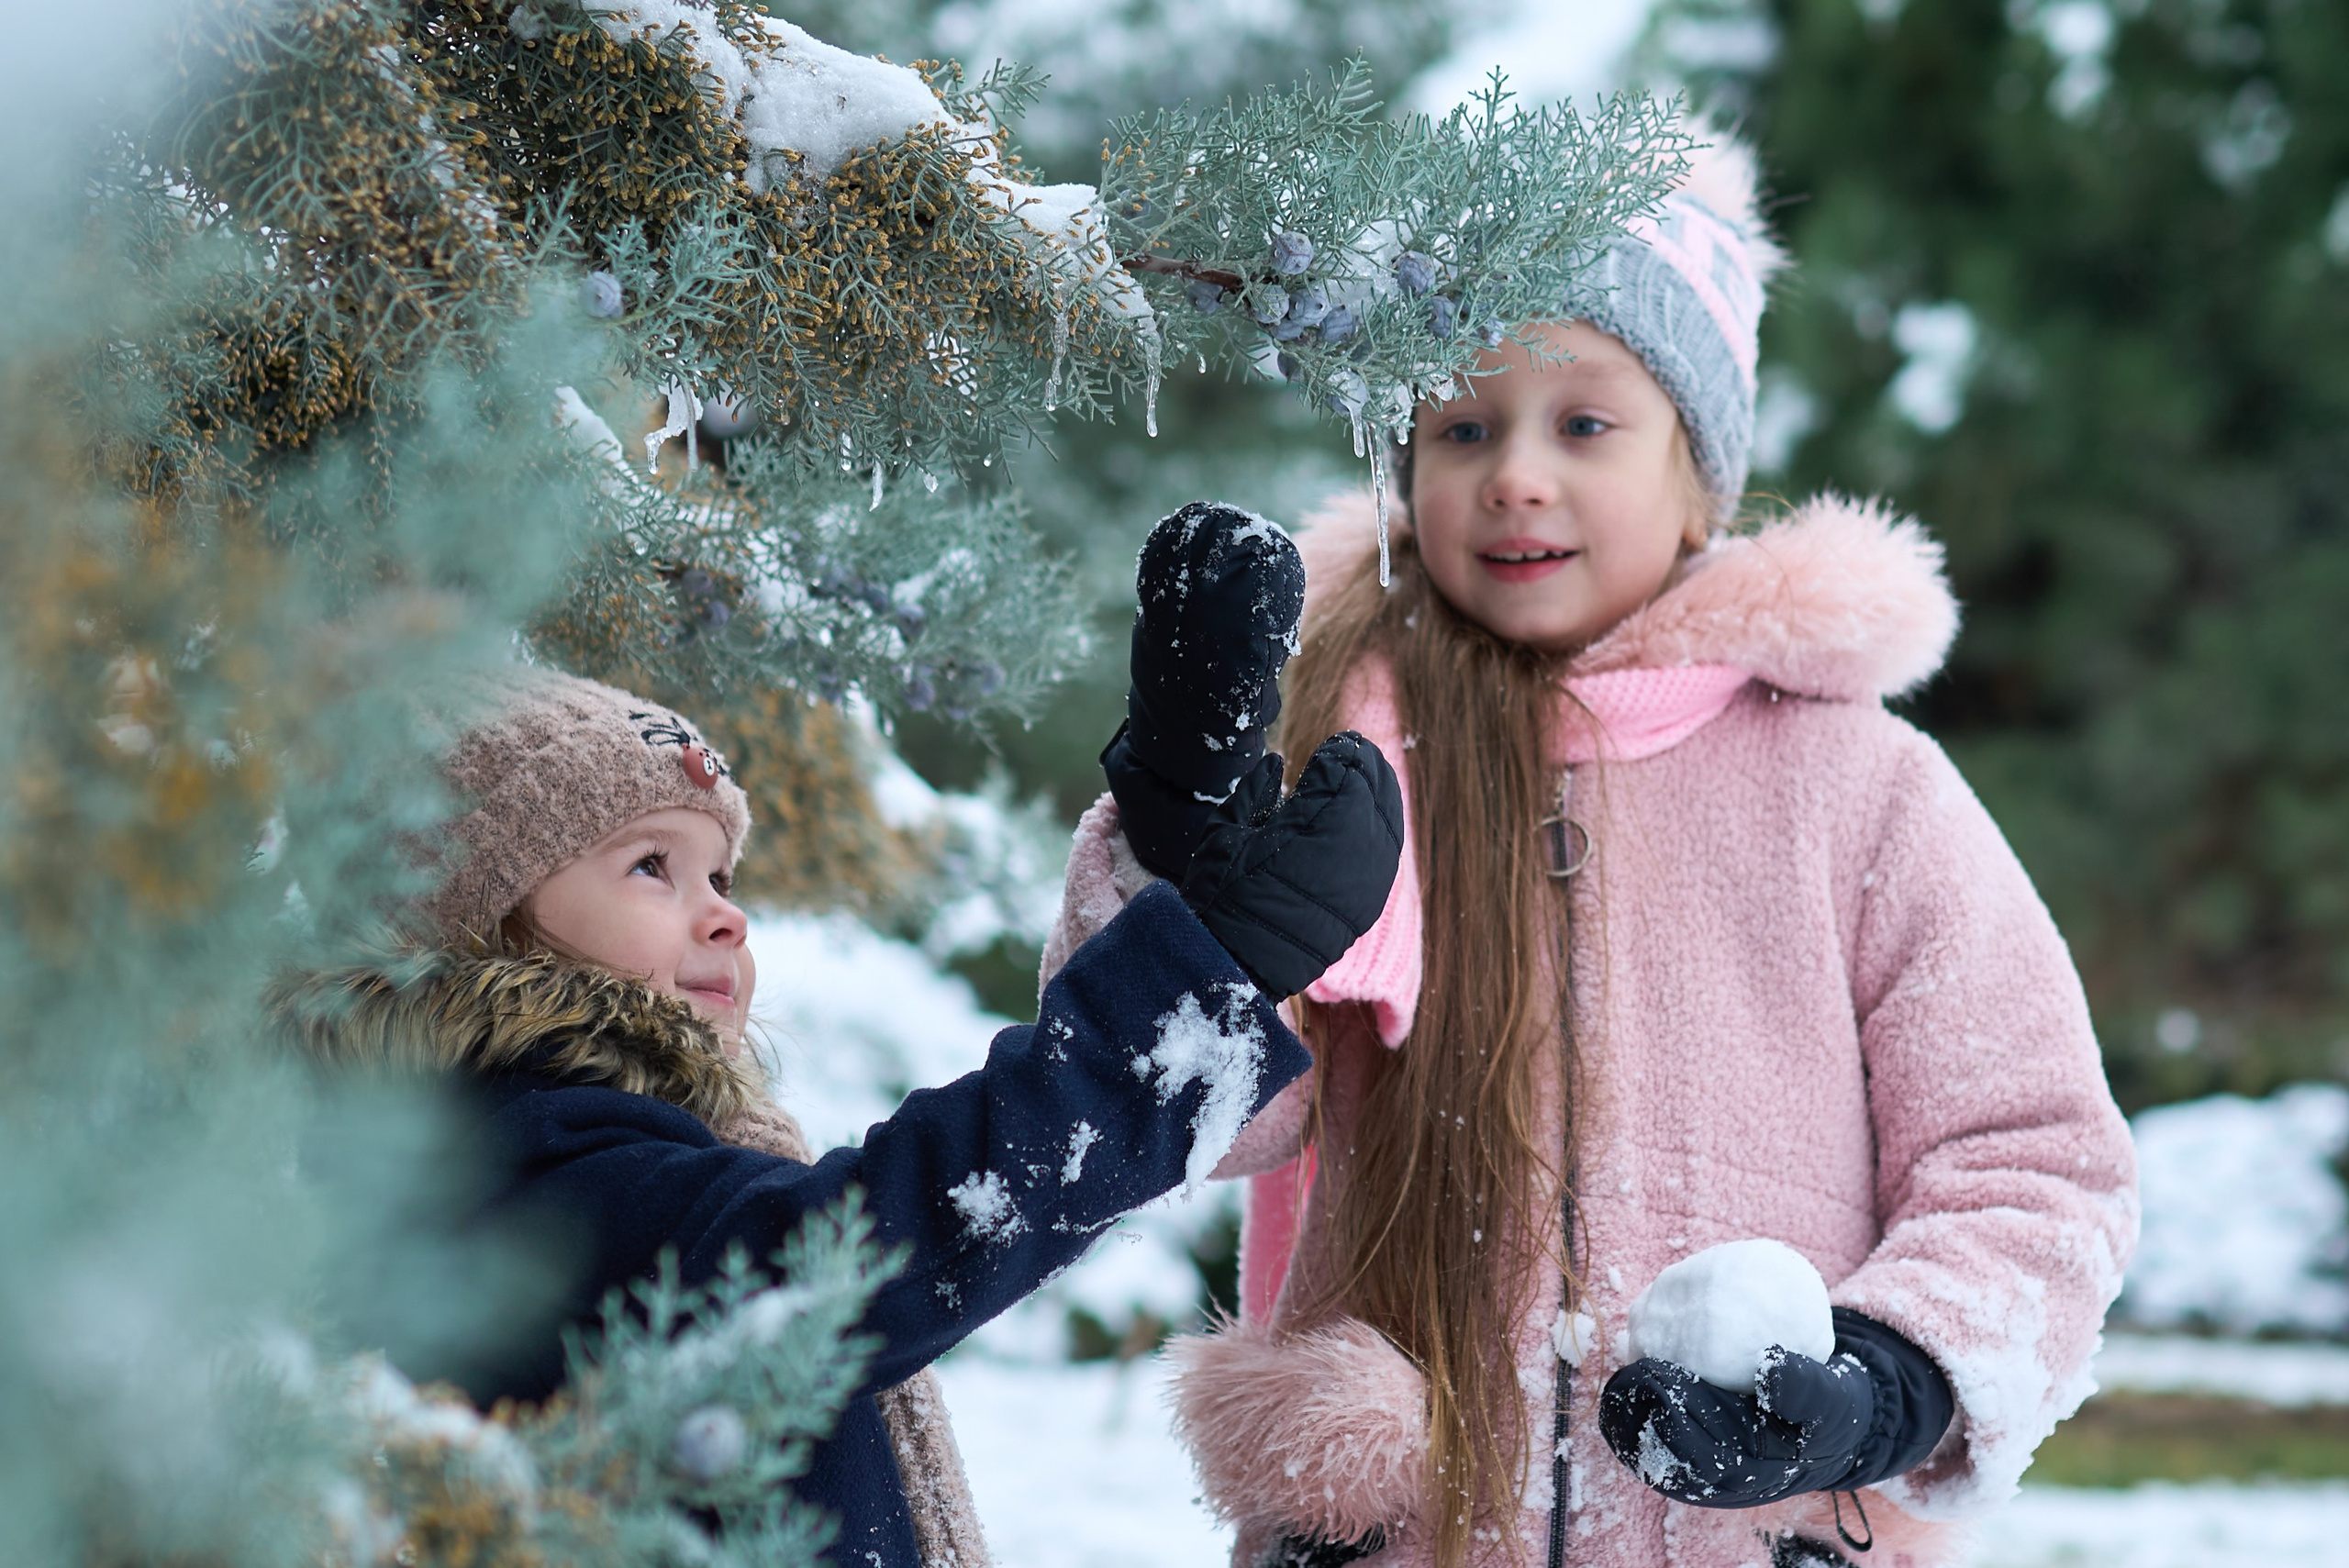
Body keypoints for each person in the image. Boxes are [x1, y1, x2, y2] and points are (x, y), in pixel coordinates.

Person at [1046, 140, 2137, 1568]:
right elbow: (1159, 1116)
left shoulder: (1858, 785)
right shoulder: (1345, 762)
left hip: (1755, 1535)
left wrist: (1885, 1381)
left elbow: (2031, 1156)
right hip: (1401, 1533)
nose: (1515, 477)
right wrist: (1186, 849)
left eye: (1583, 424)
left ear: (1701, 481)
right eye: (1461, 429)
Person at [276, 669, 1403, 1568]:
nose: (724, 913)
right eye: (651, 866)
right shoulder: (516, 1174)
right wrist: (1182, 997)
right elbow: (854, 1254)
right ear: (474, 923)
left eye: (720, 870)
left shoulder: (594, 1147)